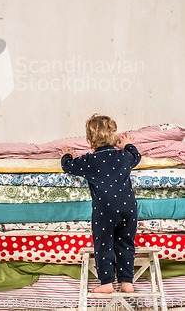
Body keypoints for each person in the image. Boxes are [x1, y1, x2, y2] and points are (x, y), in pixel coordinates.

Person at [60, 114, 141, 294]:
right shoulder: (125, 156)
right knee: (126, 243)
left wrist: (66, 156)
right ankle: (127, 282)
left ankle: (106, 282)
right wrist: (127, 144)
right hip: (129, 207)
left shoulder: (89, 161)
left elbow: (68, 166)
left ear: (89, 141)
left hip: (105, 210)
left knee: (104, 243)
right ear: (114, 137)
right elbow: (136, 156)